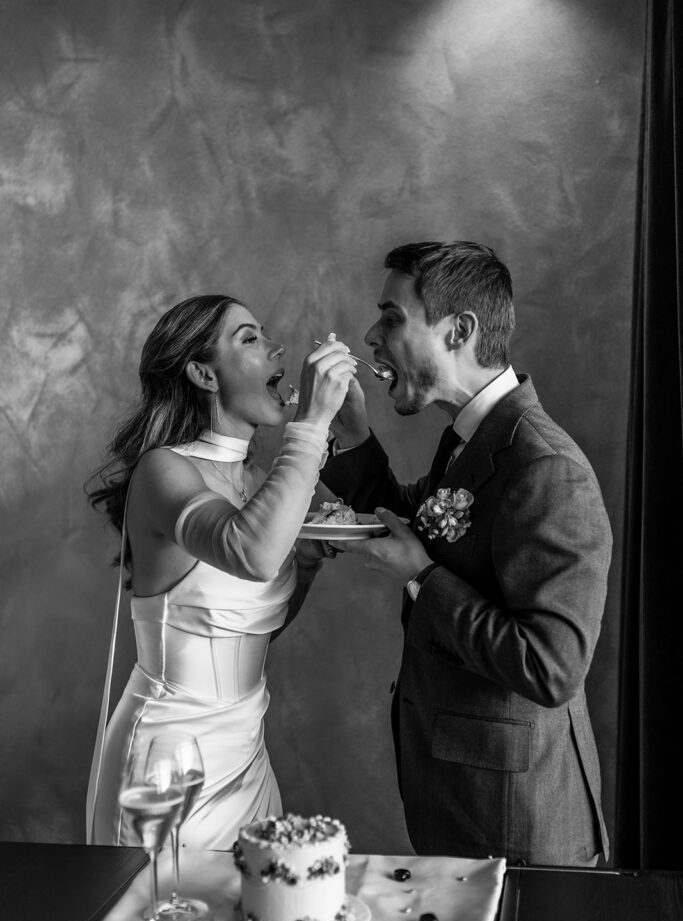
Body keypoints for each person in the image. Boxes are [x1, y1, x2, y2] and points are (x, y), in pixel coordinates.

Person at [322, 241, 612, 867]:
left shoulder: (546, 467)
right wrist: (352, 436)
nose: (372, 335)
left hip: (521, 824)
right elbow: (411, 523)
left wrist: (423, 579)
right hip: (463, 803)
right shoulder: (470, 438)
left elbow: (552, 668)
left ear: (460, 331)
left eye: (393, 319)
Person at [85, 294, 355, 849]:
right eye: (250, 338)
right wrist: (311, 425)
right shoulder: (165, 470)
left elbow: (256, 627)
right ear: (204, 373)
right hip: (166, 760)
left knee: (252, 917)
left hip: (248, 756)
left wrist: (303, 567)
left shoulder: (263, 480)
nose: (277, 347)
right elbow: (250, 551)